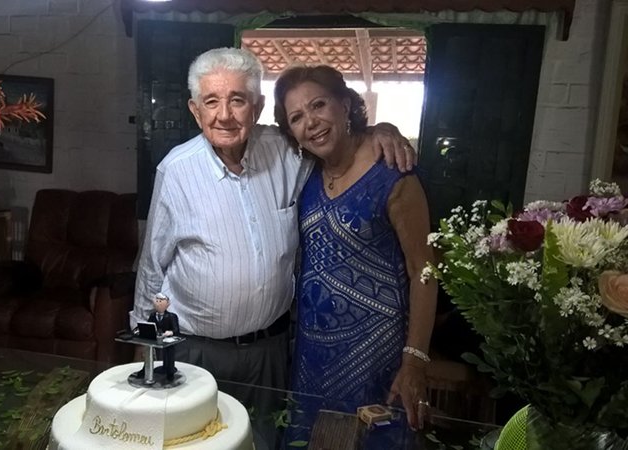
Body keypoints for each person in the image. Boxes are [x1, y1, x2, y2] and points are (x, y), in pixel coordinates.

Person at [130, 48, 416, 396]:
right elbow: (152, 268)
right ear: (195, 110)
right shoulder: (176, 170)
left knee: (266, 430)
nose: (224, 115)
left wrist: (379, 131)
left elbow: (335, 142)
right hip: (195, 350)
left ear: (258, 106)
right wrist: (144, 345)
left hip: (269, 351)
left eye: (237, 100)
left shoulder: (287, 150)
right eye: (211, 102)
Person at [272, 65, 437, 431]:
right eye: (296, 117)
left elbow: (423, 271)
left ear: (345, 104)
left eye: (319, 105)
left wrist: (414, 361)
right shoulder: (306, 174)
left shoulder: (393, 172)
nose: (311, 122)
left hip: (376, 354)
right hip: (311, 353)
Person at [147, 293, 180, 381]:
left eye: (161, 301)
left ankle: (170, 372)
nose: (158, 303)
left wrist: (170, 332)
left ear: (167, 304)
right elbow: (149, 325)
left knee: (169, 352)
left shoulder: (172, 316)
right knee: (148, 351)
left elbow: (176, 330)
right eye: (157, 301)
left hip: (168, 340)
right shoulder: (152, 315)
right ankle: (145, 370)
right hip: (156, 339)